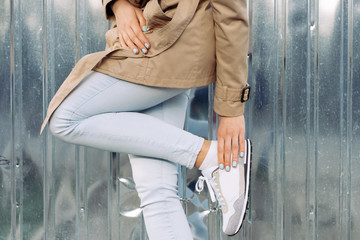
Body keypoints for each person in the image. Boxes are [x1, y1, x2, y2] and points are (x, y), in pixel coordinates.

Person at [41, 0, 251, 238]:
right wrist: (119, 5)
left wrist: (231, 108)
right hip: (155, 42)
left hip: (172, 47)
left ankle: (207, 156)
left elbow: (231, 17)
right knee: (157, 192)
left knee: (65, 118)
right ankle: (208, 157)